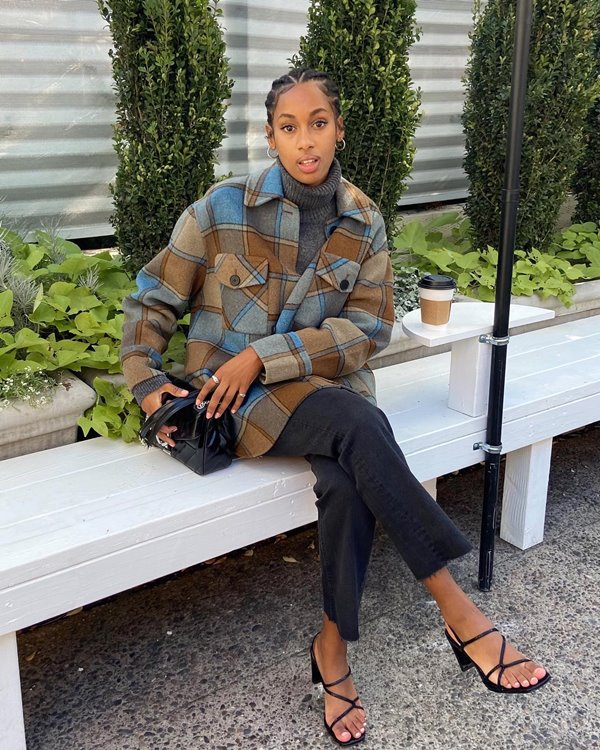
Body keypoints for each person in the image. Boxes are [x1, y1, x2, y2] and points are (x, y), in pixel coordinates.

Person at [121, 68, 550, 747]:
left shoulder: (365, 221)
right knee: (359, 427)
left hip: (322, 393)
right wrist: (145, 380)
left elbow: (367, 331)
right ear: (269, 136)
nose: (305, 141)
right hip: (239, 405)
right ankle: (458, 612)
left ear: (338, 127)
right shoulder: (219, 209)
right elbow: (151, 298)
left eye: (317, 123)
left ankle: (333, 652)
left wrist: (266, 353)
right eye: (288, 128)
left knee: (349, 472)